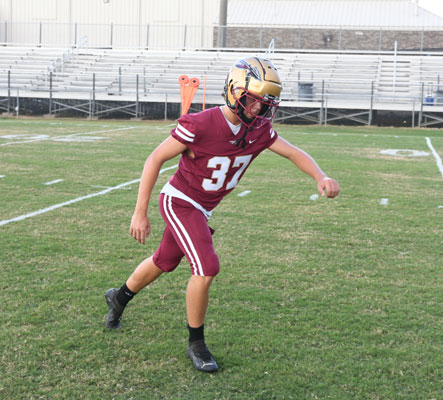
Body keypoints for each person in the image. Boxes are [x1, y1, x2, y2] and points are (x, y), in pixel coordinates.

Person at [105, 56, 340, 373]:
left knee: (164, 261)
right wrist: (139, 212)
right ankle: (196, 344)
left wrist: (320, 176)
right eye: (253, 100)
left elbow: (293, 152)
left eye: (265, 103)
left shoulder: (259, 130)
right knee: (206, 267)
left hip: (202, 208)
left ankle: (118, 298)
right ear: (234, 91)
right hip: (180, 201)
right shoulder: (201, 124)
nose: (258, 108)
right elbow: (155, 159)